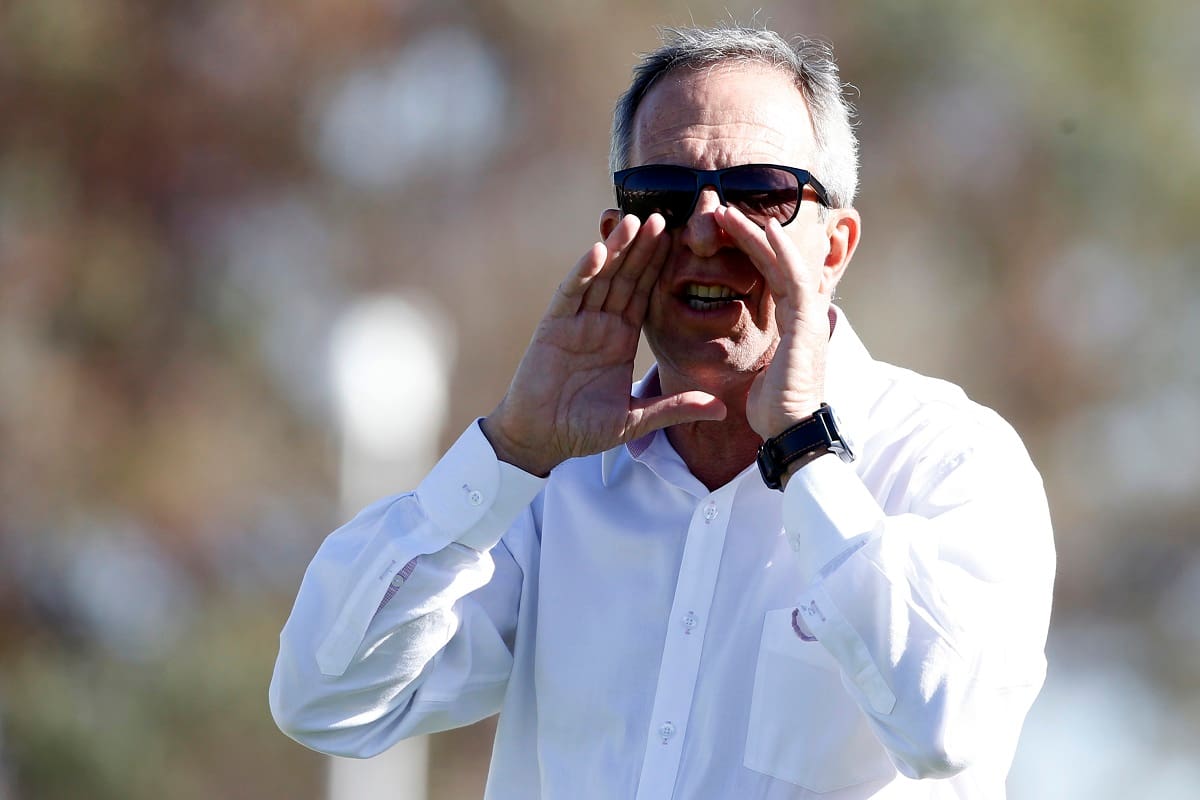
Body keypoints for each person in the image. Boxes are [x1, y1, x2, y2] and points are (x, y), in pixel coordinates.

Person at [270, 24, 1055, 799]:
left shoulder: (951, 457)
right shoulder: (553, 483)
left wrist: (807, 453)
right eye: (666, 198)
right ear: (618, 235)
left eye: (760, 196)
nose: (708, 234)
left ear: (835, 246)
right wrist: (508, 451)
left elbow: (950, 726)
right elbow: (326, 700)